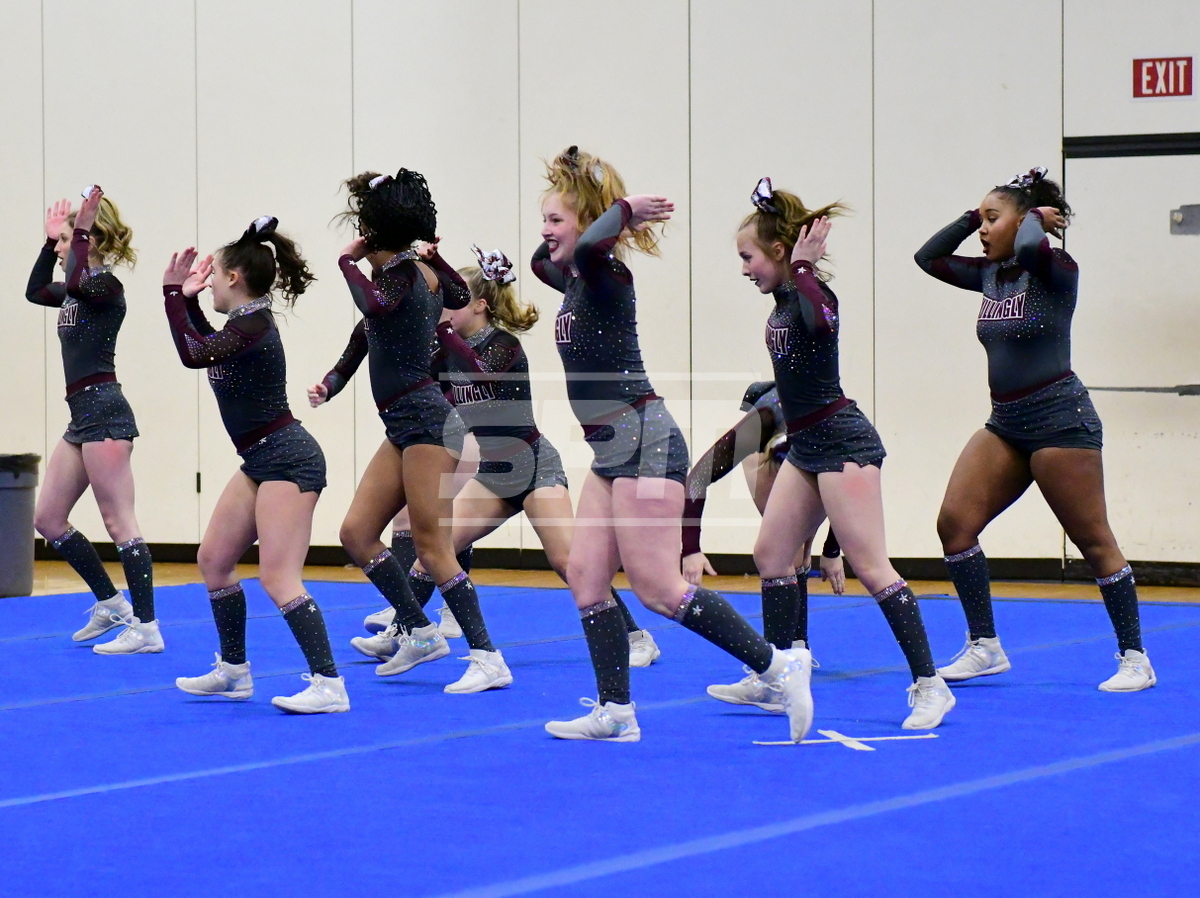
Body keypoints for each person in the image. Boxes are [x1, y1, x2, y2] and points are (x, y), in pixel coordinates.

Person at [532, 147, 811, 742]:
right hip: (613, 450)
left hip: (643, 440)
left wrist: (621, 209)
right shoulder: (576, 277)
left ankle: (777, 666)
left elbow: (589, 247)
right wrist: (578, 194)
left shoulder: (606, 276)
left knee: (658, 588)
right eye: (544, 220)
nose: (546, 231)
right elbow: (541, 259)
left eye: (555, 219)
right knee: (585, 575)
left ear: (589, 225)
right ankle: (616, 712)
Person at [715, 177, 954, 729]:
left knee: (871, 566)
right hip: (806, 445)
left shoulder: (814, 294)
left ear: (781, 251)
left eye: (749, 257)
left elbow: (822, 321)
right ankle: (778, 677)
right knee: (772, 555)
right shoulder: (783, 301)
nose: (745, 269)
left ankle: (931, 684)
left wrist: (803, 267)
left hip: (843, 443)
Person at [915, 166, 1154, 692]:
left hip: (1059, 422)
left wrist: (1036, 224)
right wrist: (972, 216)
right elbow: (927, 258)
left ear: (1026, 221)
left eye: (992, 218)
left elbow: (1028, 248)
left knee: (1093, 540)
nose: (982, 229)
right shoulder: (988, 274)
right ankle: (985, 646)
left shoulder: (1055, 268)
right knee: (954, 525)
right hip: (1006, 424)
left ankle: (1135, 657)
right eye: (981, 219)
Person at [314, 169, 504, 694]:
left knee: (431, 546)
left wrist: (345, 262)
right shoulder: (418, 273)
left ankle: (488, 656)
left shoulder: (398, 276)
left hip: (426, 422)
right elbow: (457, 290)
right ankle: (418, 631)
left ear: (374, 233)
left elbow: (373, 303)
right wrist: (434, 255)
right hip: (403, 424)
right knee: (356, 533)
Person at [164, 219, 347, 713]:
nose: (208, 282)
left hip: (288, 458)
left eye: (213, 276)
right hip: (261, 458)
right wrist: (189, 302)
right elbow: (209, 349)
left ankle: (329, 684)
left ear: (234, 278)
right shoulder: (242, 327)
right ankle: (234, 671)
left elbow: (194, 353)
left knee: (278, 577)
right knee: (214, 559)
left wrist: (173, 295)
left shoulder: (254, 326)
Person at [26, 187, 159, 654]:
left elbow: (81, 282)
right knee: (48, 519)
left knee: (118, 521)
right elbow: (34, 291)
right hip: (81, 417)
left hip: (105, 413)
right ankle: (110, 601)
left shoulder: (106, 288)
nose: (62, 249)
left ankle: (147, 626)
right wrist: (50, 241)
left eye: (67, 241)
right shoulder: (73, 289)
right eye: (63, 242)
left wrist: (79, 232)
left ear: (91, 240)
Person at [682, 379, 845, 605]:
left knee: (801, 549)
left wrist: (832, 551)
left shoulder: (837, 432)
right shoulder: (759, 426)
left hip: (813, 436)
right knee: (784, 552)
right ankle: (789, 628)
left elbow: (845, 497)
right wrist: (691, 549)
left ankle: (796, 626)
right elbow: (696, 480)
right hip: (770, 435)